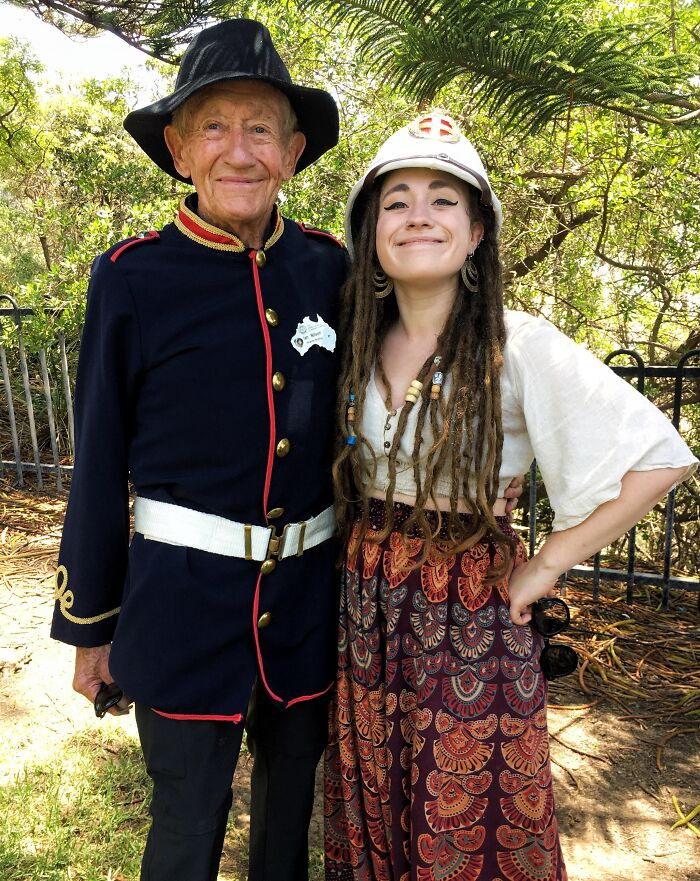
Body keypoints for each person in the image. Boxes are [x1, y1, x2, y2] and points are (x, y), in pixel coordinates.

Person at [324, 111, 698, 881]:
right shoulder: (353, 335)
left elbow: (658, 458)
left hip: (467, 606)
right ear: (371, 230)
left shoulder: (516, 342)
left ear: (479, 230)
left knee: (466, 814)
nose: (418, 215)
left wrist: (546, 564)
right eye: (395, 201)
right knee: (377, 797)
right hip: (364, 601)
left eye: (443, 199)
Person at [50, 19, 348, 881]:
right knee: (184, 829)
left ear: (293, 152)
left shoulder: (329, 268)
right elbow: (100, 459)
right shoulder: (134, 277)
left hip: (303, 608)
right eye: (214, 127)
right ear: (179, 149)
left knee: (287, 827)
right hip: (181, 609)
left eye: (260, 128)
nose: (239, 151)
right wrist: (89, 626)